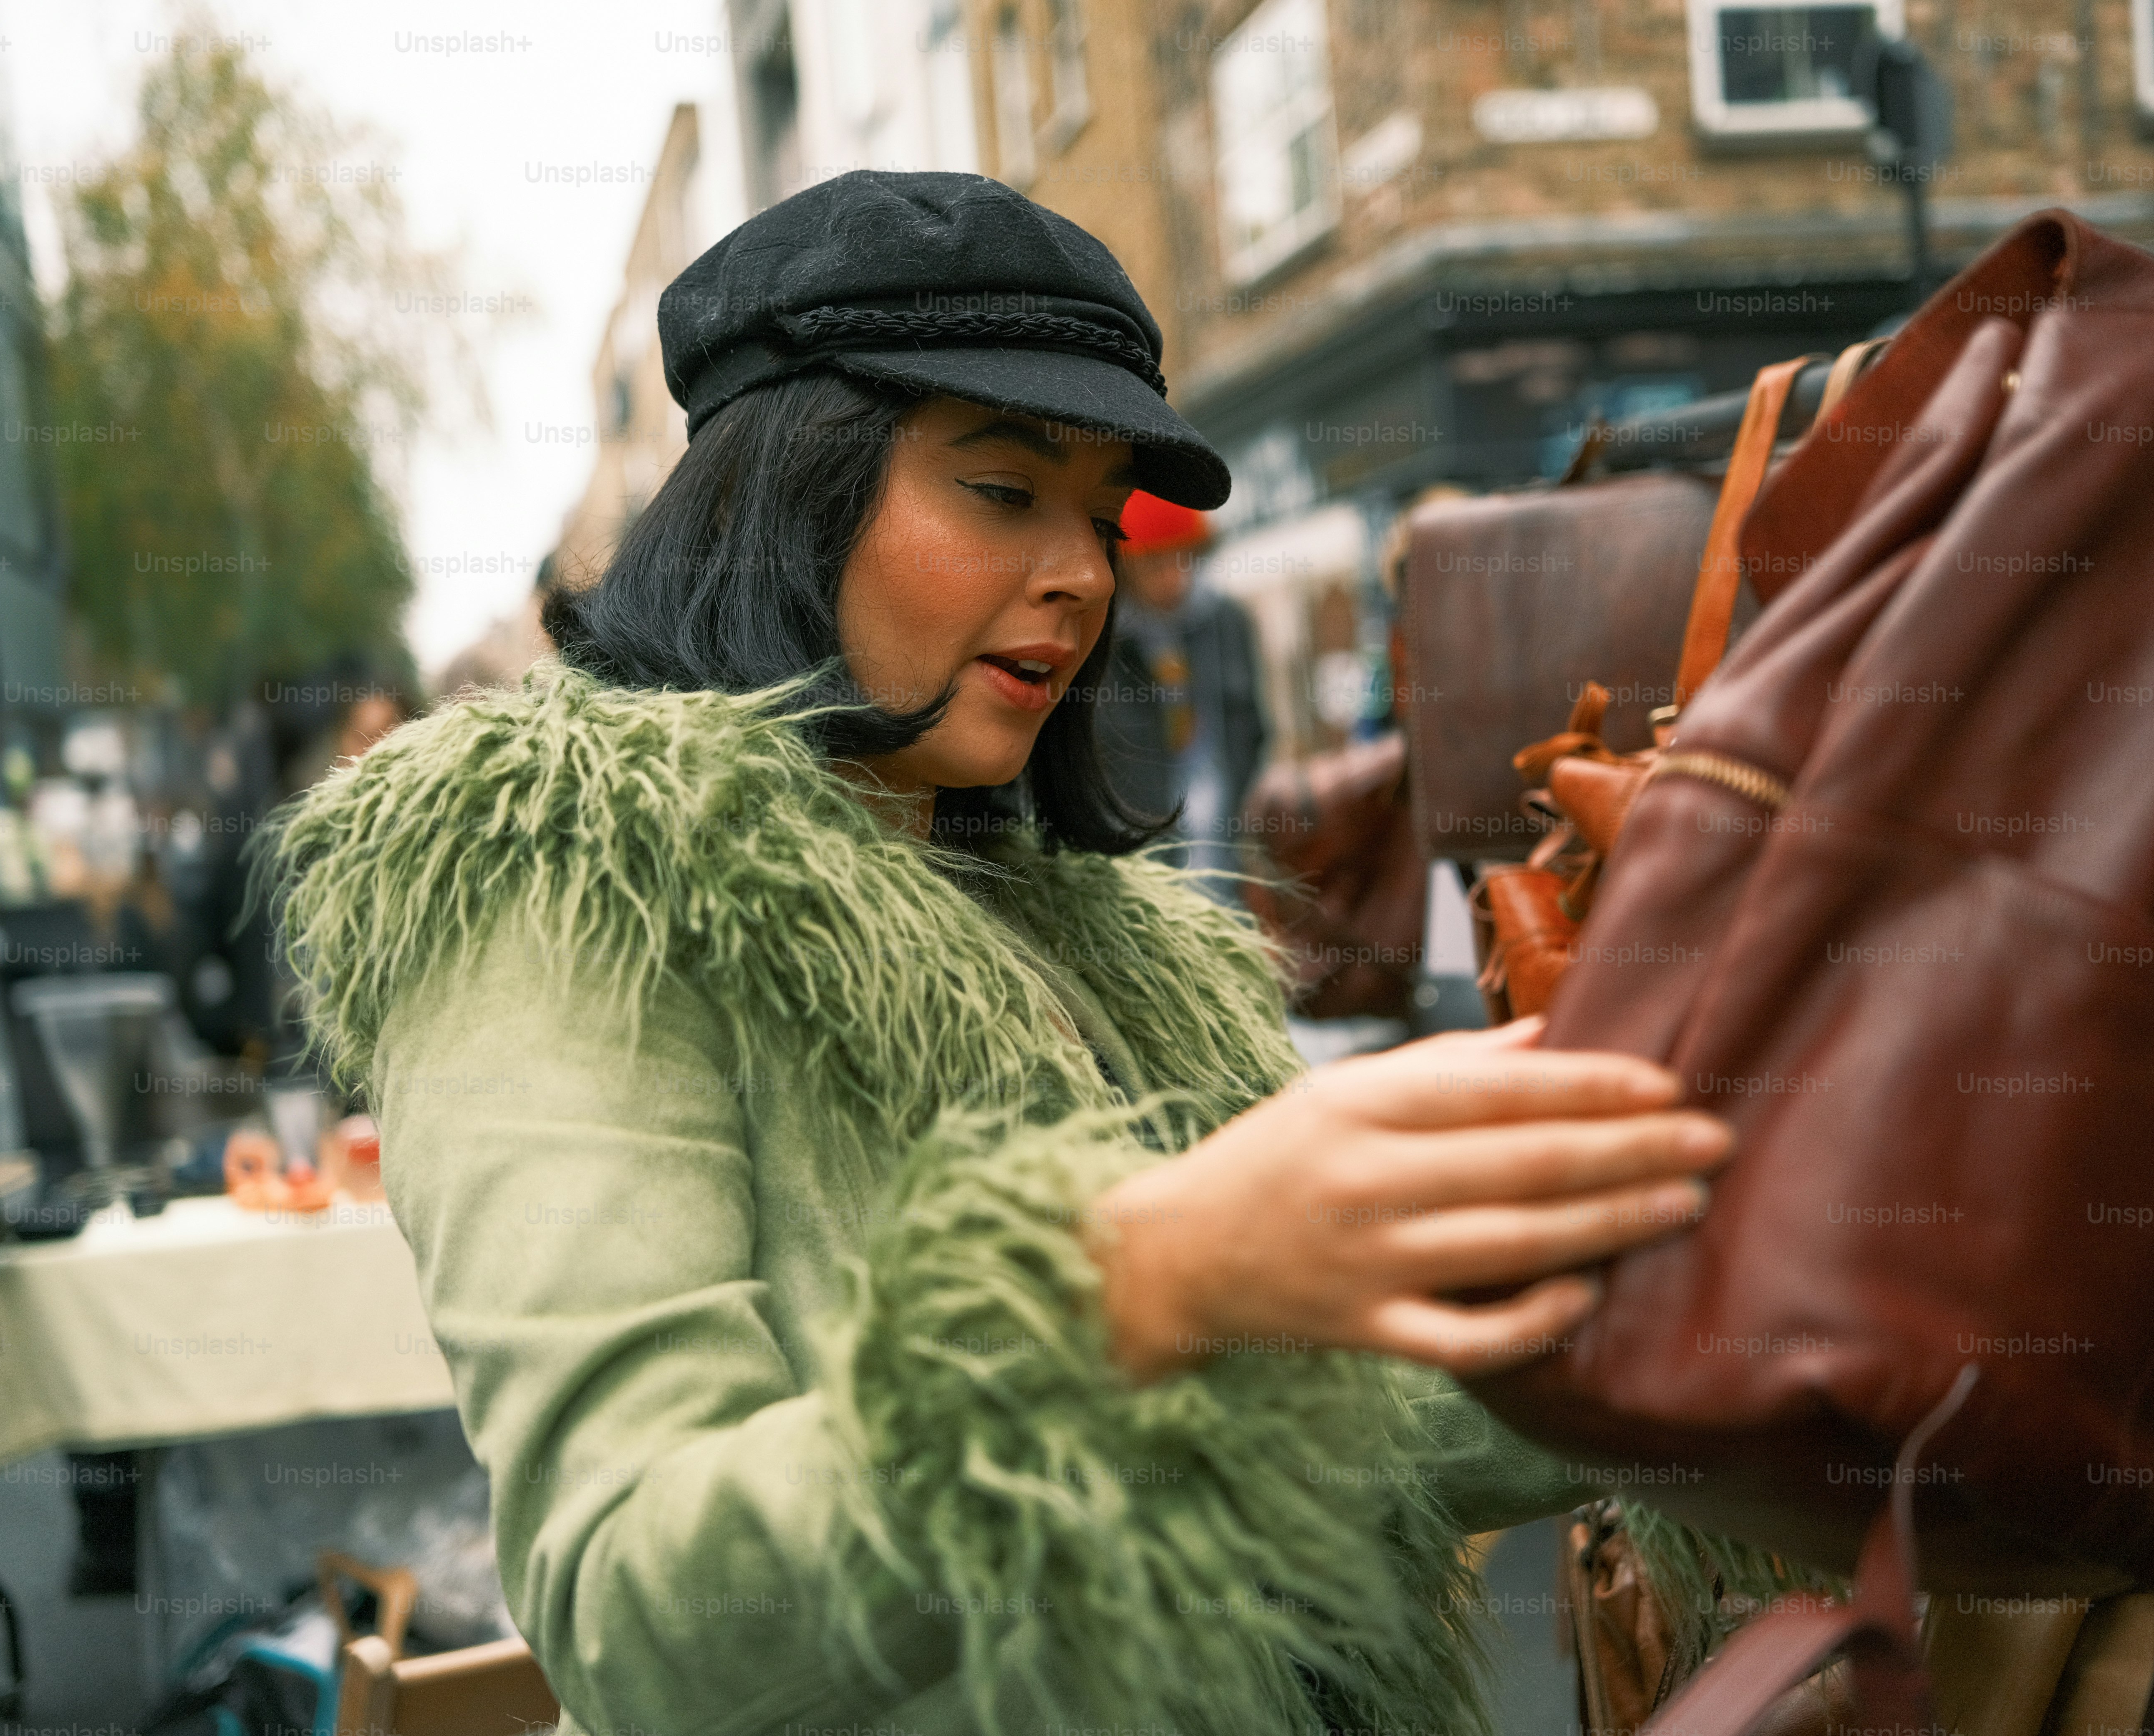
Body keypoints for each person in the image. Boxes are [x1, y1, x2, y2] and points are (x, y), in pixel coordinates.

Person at [264, 172, 1742, 1736]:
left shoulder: (1092, 932)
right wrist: (1141, 1284)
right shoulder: (562, 884)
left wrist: (1665, 1300)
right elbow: (645, 1614)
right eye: (1001, 489)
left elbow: (1310, 1437)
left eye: (1102, 517)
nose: (1086, 573)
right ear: (791, 488)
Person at [1095, 493, 1268, 893]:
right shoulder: (1101, 639)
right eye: (1155, 563)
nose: (1175, 578)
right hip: (1142, 850)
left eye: (1183, 557)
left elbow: (1251, 722)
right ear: (1124, 564)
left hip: (1224, 829)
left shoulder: (1227, 621)